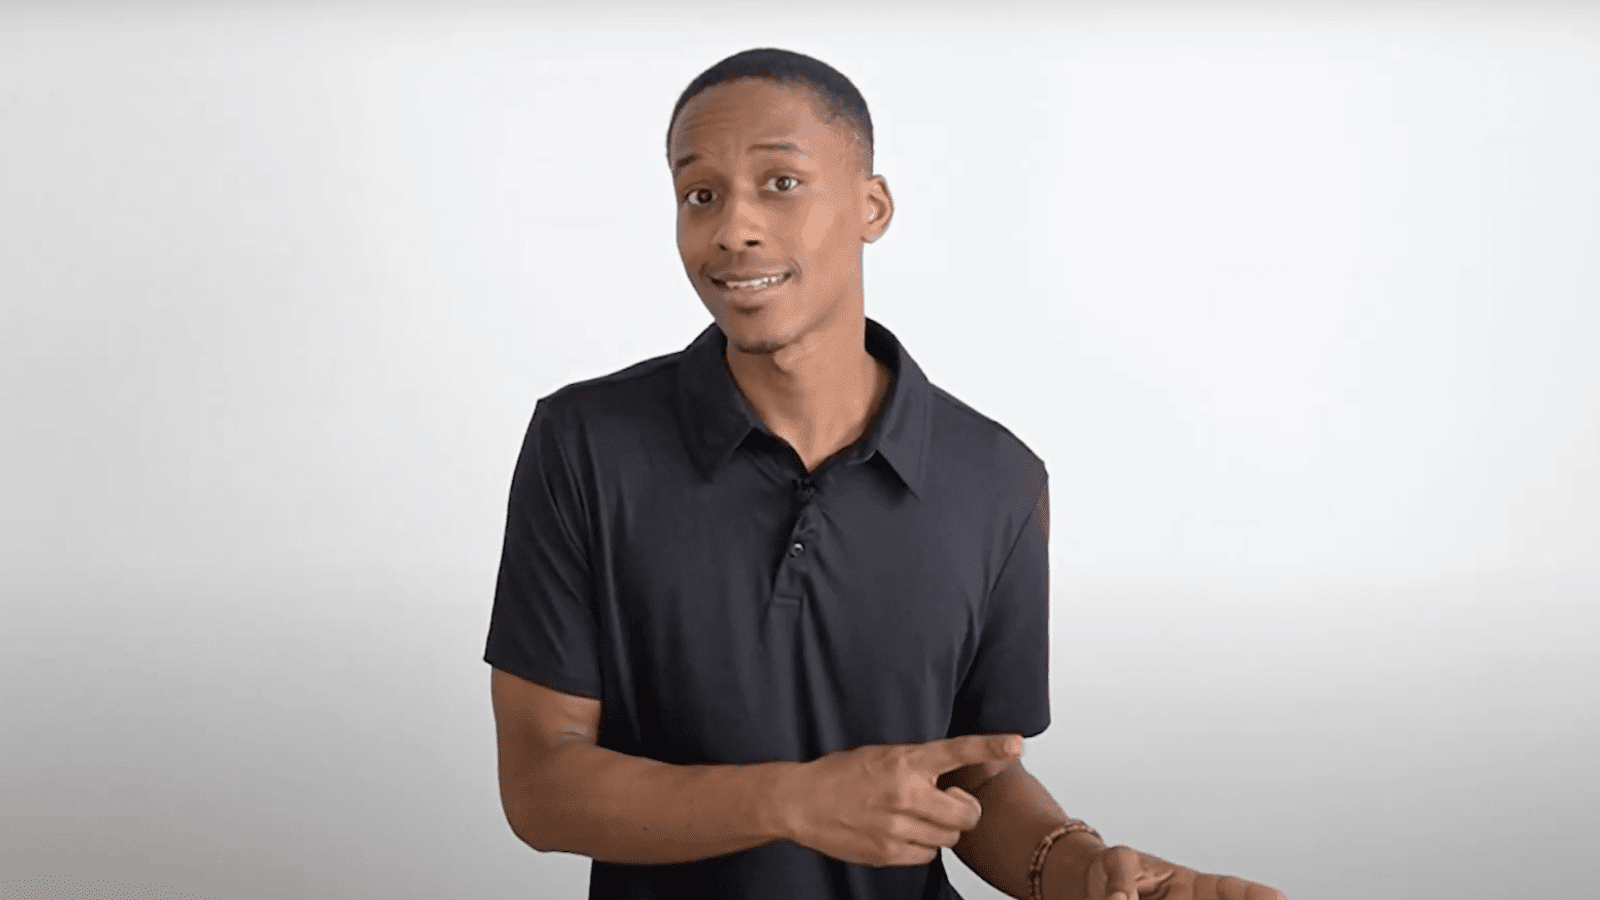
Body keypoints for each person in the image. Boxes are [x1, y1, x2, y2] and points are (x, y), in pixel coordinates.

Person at [485, 47, 1288, 900]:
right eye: (699, 194)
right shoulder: (583, 442)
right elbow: (542, 783)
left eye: (780, 183)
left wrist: (1083, 872)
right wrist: (793, 801)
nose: (731, 228)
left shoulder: (999, 482)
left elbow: (975, 776)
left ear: (873, 206)